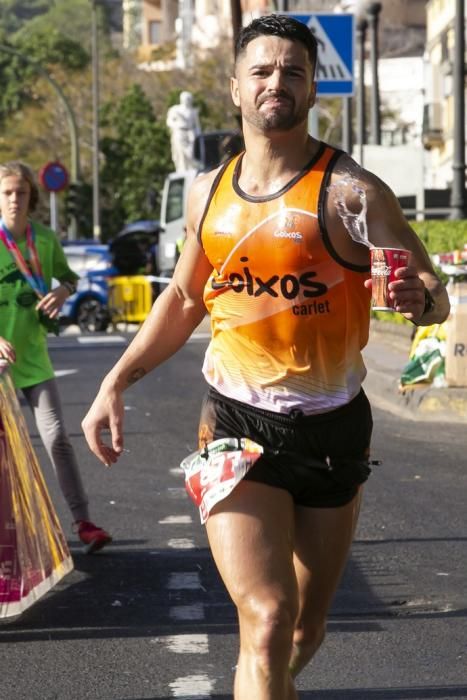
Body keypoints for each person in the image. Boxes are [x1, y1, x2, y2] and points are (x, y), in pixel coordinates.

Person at [82, 14, 450, 698]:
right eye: (260, 71)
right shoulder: (207, 193)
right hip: (235, 427)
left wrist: (412, 296)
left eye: (291, 72)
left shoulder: (351, 194)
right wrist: (114, 382)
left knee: (302, 632)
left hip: (335, 429)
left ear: (312, 91)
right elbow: (185, 299)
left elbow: (433, 299)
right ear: (234, 88)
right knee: (266, 615)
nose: (274, 82)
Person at [0, 161, 111, 554]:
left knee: (57, 439)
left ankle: (83, 523)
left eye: (22, 193)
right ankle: (13, 536)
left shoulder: (44, 239)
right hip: (0, 367)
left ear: (31, 197)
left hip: (35, 361)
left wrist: (63, 292)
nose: (15, 199)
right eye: (8, 192)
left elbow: (69, 278)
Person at [166, 90, 201, 172]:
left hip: (190, 133)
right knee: (180, 152)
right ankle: (182, 169)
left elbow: (197, 125)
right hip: (179, 132)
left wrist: (199, 135)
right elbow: (169, 121)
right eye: (186, 99)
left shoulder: (192, 111)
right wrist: (176, 126)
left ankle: (192, 168)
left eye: (189, 99)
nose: (187, 100)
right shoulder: (175, 109)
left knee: (191, 152)